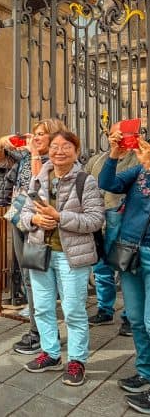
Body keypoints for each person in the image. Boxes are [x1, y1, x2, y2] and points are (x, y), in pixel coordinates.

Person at [20, 130, 104, 386]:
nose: (59, 151)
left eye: (66, 146)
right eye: (54, 146)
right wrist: (34, 219)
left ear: (76, 151)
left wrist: (59, 217)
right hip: (40, 253)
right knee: (43, 307)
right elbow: (22, 213)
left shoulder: (85, 181)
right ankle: (51, 353)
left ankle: (77, 360)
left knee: (73, 310)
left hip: (71, 258)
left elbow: (95, 219)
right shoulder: (38, 179)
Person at [0, 118, 67, 354]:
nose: (35, 138)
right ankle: (41, 330)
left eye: (41, 134)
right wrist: (1, 145)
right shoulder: (24, 156)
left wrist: (34, 153)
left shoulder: (55, 159)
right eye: (34, 134)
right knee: (26, 274)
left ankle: (41, 333)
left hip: (38, 219)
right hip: (18, 215)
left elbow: (38, 185)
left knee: (35, 275)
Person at [99, 133, 150, 412]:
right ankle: (144, 371)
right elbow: (107, 184)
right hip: (131, 251)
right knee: (137, 320)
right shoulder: (140, 167)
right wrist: (113, 156)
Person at [84, 121, 136, 336]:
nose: (120, 138)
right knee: (101, 267)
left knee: (127, 268)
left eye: (125, 135)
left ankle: (129, 316)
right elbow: (86, 182)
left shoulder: (138, 159)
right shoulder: (97, 160)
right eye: (116, 134)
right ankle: (105, 309)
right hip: (99, 220)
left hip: (124, 220)